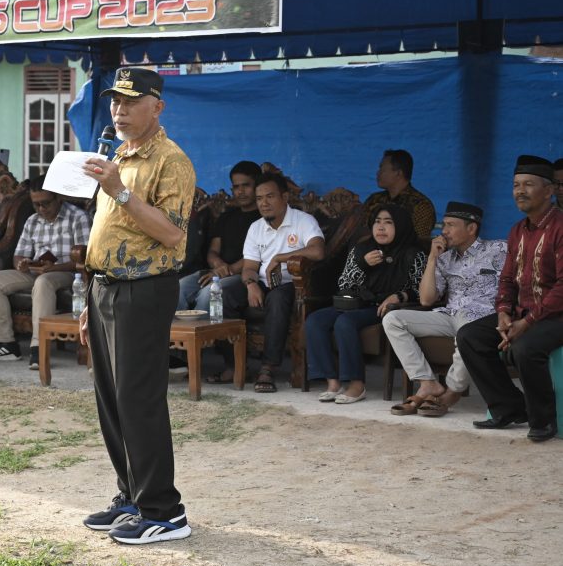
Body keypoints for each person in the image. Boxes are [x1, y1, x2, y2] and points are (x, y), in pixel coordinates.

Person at [78, 66, 195, 545]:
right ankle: (131, 496)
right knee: (112, 399)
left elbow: (171, 234)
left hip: (145, 290)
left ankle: (165, 511)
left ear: (157, 106)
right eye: (115, 102)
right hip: (107, 287)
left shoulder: (172, 161)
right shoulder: (120, 155)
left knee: (139, 400)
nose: (119, 111)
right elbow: (109, 231)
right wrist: (91, 296)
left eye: (130, 101)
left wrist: (120, 191)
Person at [457, 155, 563, 442]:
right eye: (516, 184)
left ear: (549, 191)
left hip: (556, 315)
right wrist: (504, 313)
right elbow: (506, 279)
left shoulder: (561, 226)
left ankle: (544, 419)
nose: (520, 191)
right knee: (470, 336)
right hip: (523, 312)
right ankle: (508, 407)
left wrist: (526, 322)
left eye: (529, 184)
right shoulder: (517, 230)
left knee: (525, 348)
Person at [382, 201, 507, 417]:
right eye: (444, 226)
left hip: (481, 319)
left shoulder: (499, 249)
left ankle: (452, 393)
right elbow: (427, 299)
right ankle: (427, 383)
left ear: (471, 228)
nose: (444, 231)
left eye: (451, 225)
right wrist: (432, 258)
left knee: (466, 333)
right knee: (392, 319)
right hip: (449, 316)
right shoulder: (444, 258)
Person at [305, 204, 426, 404]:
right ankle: (333, 382)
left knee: (345, 322)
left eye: (388, 223)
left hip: (385, 308)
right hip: (356, 303)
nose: (381, 228)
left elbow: (423, 291)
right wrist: (362, 264)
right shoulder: (362, 249)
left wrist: (400, 296)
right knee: (315, 320)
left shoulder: (413, 254)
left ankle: (356, 384)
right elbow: (344, 284)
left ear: (401, 226)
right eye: (377, 222)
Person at [216, 172, 325, 392]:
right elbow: (249, 268)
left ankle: (268, 367)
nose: (264, 203)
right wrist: (251, 285)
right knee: (221, 293)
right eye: (259, 198)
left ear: (284, 197)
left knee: (277, 297)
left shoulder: (303, 221)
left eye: (269, 197)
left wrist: (280, 258)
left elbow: (318, 251)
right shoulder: (256, 227)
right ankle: (234, 362)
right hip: (262, 282)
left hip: (292, 284)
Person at [0, 177, 91, 368]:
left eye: (45, 203)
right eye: (36, 204)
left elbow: (85, 258)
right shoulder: (33, 220)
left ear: (59, 198)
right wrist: (22, 263)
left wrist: (54, 268)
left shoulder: (78, 218)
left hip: (68, 274)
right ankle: (4, 344)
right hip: (36, 271)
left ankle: (39, 347)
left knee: (44, 281)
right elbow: (18, 254)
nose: (41, 209)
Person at [178, 161, 261, 313]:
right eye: (236, 187)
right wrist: (218, 264)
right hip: (215, 272)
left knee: (209, 295)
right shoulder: (226, 216)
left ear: (258, 186)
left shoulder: (264, 218)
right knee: (179, 289)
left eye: (246, 185)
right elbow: (213, 250)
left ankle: (207, 336)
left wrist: (226, 270)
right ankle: (175, 337)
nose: (240, 191)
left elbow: (258, 255)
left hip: (244, 275)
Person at [362, 149, 436, 242]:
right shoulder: (374, 200)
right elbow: (361, 230)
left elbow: (418, 243)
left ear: (398, 173)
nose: (378, 172)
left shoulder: (421, 205)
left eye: (382, 168)